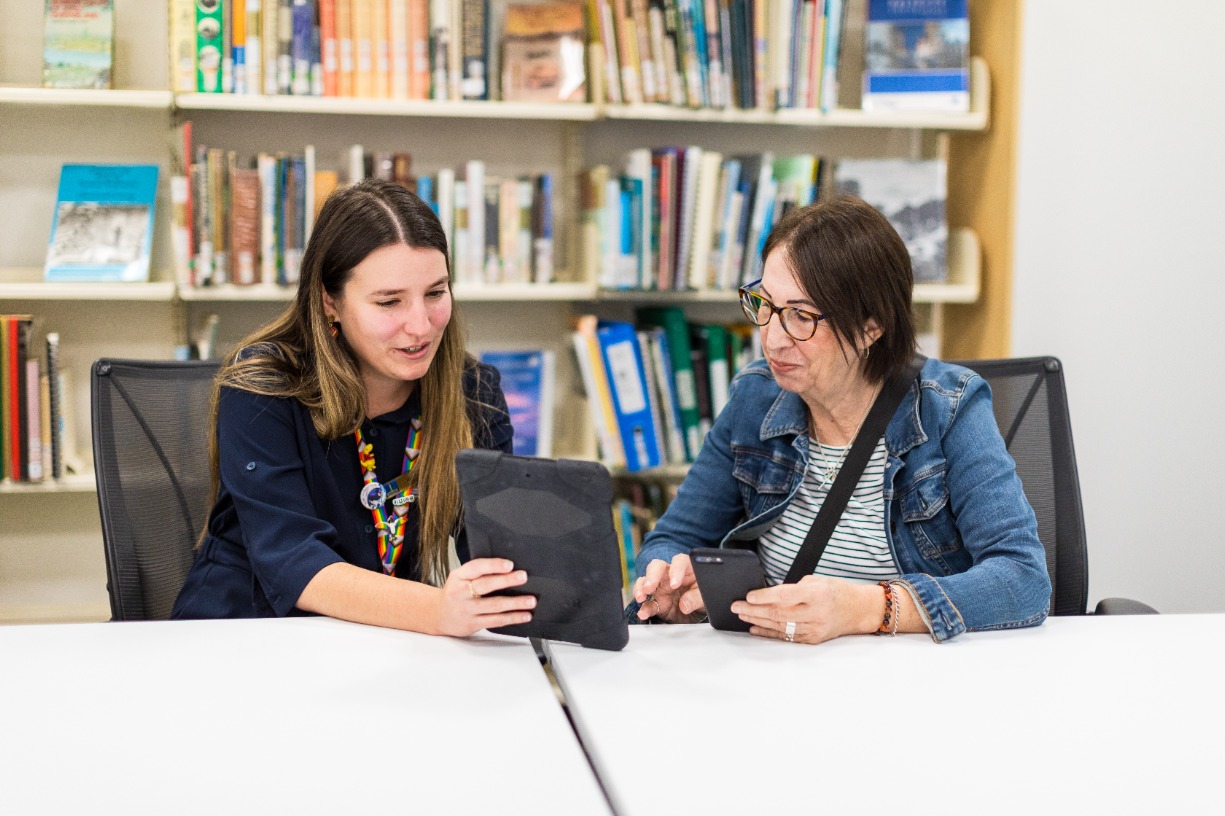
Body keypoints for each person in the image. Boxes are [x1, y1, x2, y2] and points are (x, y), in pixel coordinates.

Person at [631, 195, 1050, 643]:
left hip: (914, 675)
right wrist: (669, 581)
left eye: (801, 316)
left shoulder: (947, 408)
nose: (772, 339)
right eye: (765, 304)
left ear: (872, 327)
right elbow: (673, 538)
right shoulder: (755, 398)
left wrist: (868, 608)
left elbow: (1023, 579)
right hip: (776, 668)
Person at [172, 179, 536, 636]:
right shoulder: (263, 387)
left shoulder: (473, 391)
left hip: (381, 641)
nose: (421, 326)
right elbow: (295, 562)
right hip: (241, 635)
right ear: (331, 302)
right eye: (389, 301)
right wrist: (437, 610)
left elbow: (501, 554)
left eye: (435, 293)